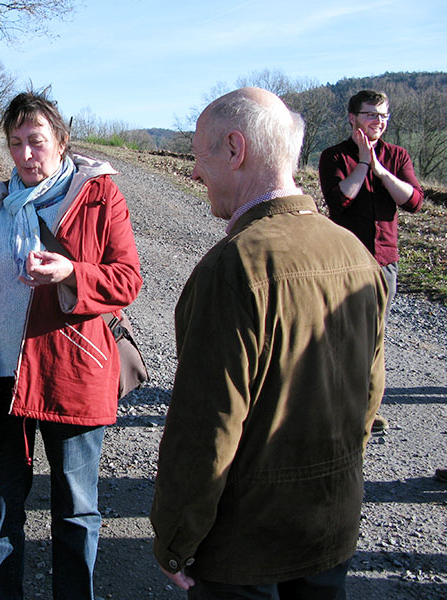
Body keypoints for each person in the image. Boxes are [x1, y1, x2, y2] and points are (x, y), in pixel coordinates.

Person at [150, 87, 388, 599]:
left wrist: (175, 540)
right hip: (330, 528)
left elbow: (206, 430)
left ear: (235, 150)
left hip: (244, 550)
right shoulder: (356, 253)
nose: (194, 173)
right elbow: (368, 398)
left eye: (200, 157)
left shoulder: (232, 269)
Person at [0, 91, 141, 600]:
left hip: (71, 377)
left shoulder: (98, 195)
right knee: (0, 511)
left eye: (37, 141)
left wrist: (71, 271)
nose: (26, 154)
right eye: (16, 143)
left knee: (76, 510)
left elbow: (126, 280)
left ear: (61, 142)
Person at [319, 90, 423, 433]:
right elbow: (339, 201)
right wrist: (363, 164)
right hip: (345, 259)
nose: (378, 122)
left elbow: (414, 201)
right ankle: (334, 404)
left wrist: (381, 171)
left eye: (383, 116)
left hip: (384, 260)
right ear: (352, 117)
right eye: (371, 115)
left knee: (374, 336)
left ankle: (366, 408)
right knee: (341, 332)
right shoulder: (334, 156)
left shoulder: (397, 155)